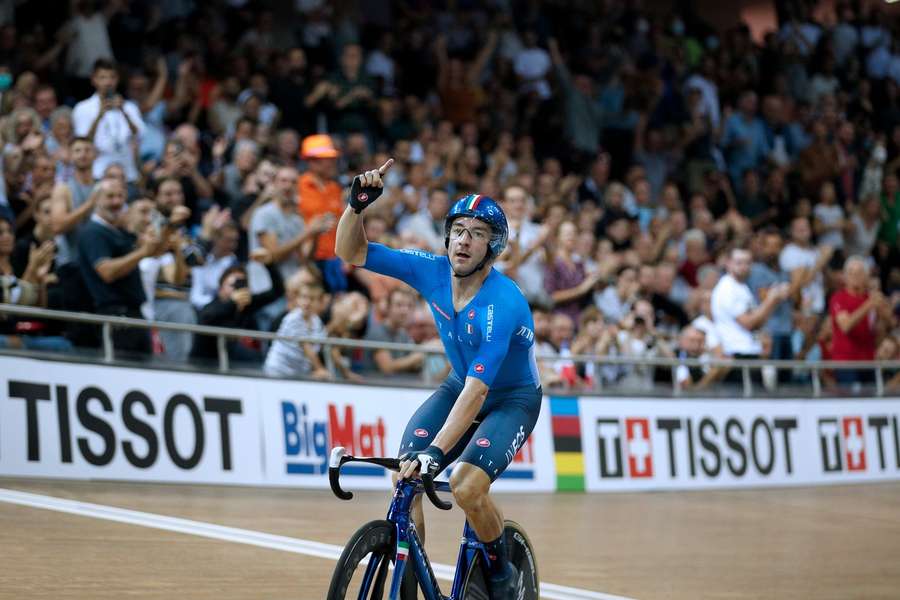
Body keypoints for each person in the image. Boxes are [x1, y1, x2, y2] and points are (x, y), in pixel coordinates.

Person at [335, 159, 541, 599]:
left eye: (479, 233)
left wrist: (436, 451)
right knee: (404, 478)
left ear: (493, 248)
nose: (465, 240)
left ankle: (501, 572)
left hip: (510, 398)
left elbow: (479, 391)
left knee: (466, 485)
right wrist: (355, 209)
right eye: (460, 230)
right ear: (448, 237)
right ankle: (408, 578)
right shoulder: (430, 270)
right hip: (460, 384)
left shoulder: (503, 302)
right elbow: (352, 253)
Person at [711, 247, 791, 384]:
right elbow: (748, 322)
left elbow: (757, 321)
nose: (744, 267)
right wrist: (771, 299)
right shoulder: (727, 288)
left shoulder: (741, 287)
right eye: (739, 262)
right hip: (736, 356)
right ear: (728, 263)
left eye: (748, 263)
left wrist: (773, 302)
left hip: (750, 353)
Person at [72, 59, 145, 184]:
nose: (108, 82)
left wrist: (124, 113)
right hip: (98, 174)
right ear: (93, 80)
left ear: (118, 79)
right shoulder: (82, 108)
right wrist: (99, 116)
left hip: (128, 175)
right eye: (102, 77)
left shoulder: (129, 107)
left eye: (112, 77)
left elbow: (139, 135)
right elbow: (83, 142)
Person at [829, 256, 894, 386]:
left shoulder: (872, 297)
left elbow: (891, 323)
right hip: (846, 363)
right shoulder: (838, 298)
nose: (855, 276)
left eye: (859, 272)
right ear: (845, 276)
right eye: (851, 273)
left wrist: (883, 306)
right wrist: (868, 305)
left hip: (869, 361)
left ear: (867, 276)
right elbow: (846, 326)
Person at [263, 276, 329, 379]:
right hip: (277, 371)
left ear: (319, 302)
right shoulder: (293, 318)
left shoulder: (317, 321)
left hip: (298, 374)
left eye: (311, 298)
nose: (307, 302)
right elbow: (306, 346)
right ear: (297, 299)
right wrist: (320, 369)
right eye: (303, 297)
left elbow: (325, 344)